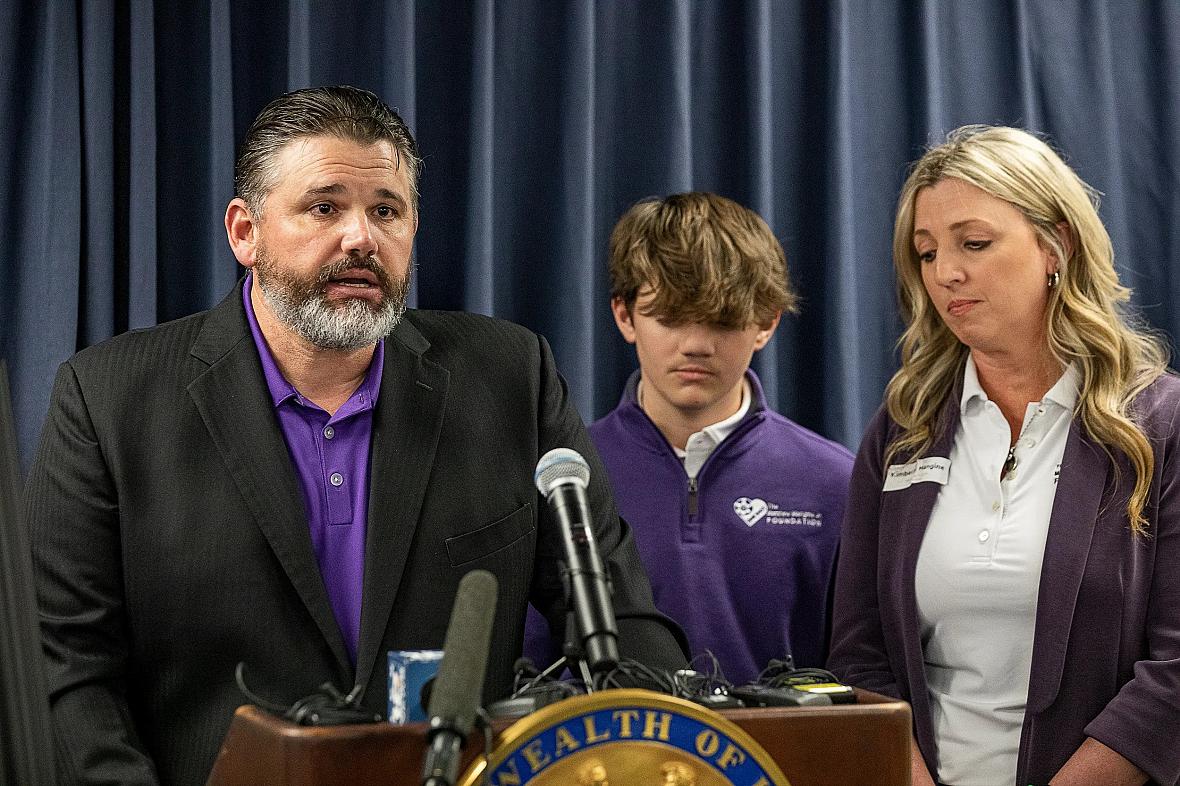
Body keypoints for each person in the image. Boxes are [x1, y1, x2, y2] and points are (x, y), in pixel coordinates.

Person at [24, 85, 687, 786]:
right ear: (244, 232)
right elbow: (66, 667)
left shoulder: (510, 378)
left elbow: (618, 616)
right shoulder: (108, 399)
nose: (360, 238)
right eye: (324, 207)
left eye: (385, 211)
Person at [828, 125, 1180, 786]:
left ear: (1057, 245)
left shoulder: (1161, 425)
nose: (946, 272)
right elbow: (858, 652)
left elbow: (1175, 672)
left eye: (975, 243)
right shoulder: (902, 430)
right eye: (926, 252)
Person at [528, 192, 852, 684]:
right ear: (624, 315)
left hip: (779, 761)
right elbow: (532, 673)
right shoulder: (565, 481)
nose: (696, 344)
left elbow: (857, 677)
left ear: (766, 322)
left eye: (722, 320)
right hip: (607, 758)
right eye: (671, 317)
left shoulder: (836, 483)